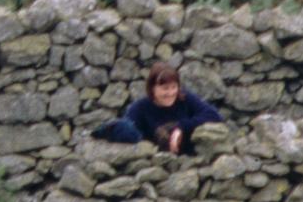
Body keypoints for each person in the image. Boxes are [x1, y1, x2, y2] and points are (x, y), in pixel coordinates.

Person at [91, 63, 223, 153]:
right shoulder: (140, 108)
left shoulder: (185, 99)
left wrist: (180, 127)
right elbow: (130, 131)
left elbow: (214, 115)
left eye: (173, 87)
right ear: (152, 89)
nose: (170, 93)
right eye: (165, 88)